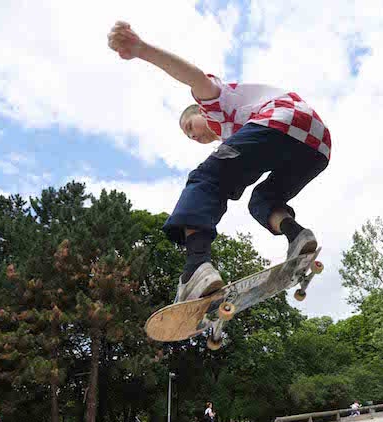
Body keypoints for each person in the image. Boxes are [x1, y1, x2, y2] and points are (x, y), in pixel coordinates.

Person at [107, 21, 331, 304]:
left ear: (199, 112)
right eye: (188, 136)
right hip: (317, 145)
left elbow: (194, 77)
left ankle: (196, 268)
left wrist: (141, 49)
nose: (193, 135)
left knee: (206, 180)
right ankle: (298, 237)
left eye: (190, 126)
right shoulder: (240, 136)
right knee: (263, 200)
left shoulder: (216, 105)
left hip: (280, 120)